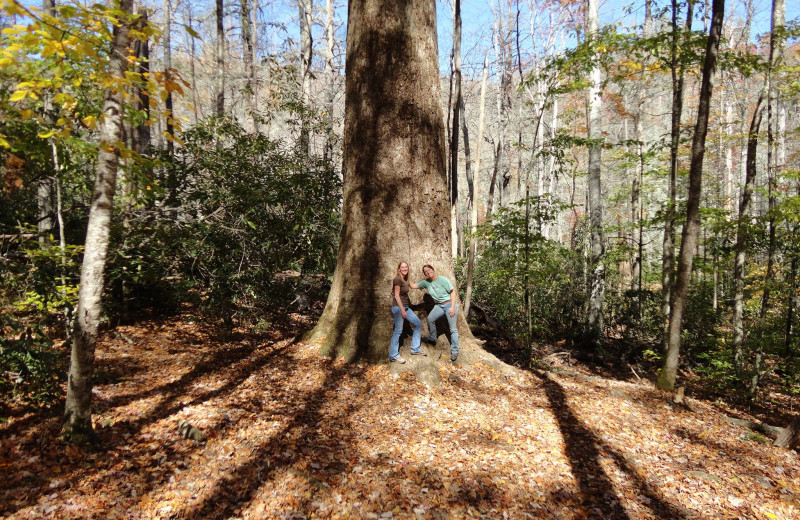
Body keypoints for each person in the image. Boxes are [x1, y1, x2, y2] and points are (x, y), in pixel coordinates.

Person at [411, 264, 459, 362]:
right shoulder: (426, 282)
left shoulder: (443, 279)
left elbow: (452, 293)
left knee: (453, 329)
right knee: (430, 319)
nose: (428, 272)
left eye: (429, 270)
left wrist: (453, 307)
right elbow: (413, 286)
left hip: (449, 304)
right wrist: (404, 276)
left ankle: (455, 350)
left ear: (433, 269)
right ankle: (432, 337)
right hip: (439, 306)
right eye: (426, 272)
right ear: (425, 274)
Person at [389, 261, 424, 363]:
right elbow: (396, 295)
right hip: (398, 308)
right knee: (398, 331)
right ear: (399, 269)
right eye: (402, 267)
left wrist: (427, 282)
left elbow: (413, 286)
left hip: (406, 307)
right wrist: (403, 310)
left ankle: (415, 348)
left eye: (406, 267)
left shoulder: (406, 280)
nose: (404, 269)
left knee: (417, 324)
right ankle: (393, 355)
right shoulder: (397, 279)